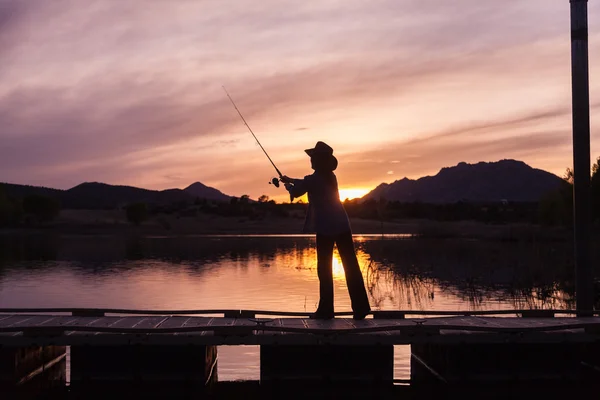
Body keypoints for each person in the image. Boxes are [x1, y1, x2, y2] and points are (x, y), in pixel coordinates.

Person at [281, 141, 371, 320]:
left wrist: (288, 185)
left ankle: (326, 310)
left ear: (320, 160)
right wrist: (290, 181)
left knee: (324, 268)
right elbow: (304, 182)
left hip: (326, 227)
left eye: (313, 157)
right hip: (342, 225)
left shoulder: (316, 178)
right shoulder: (329, 176)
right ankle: (360, 309)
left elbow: (300, 188)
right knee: (351, 266)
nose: (311, 160)